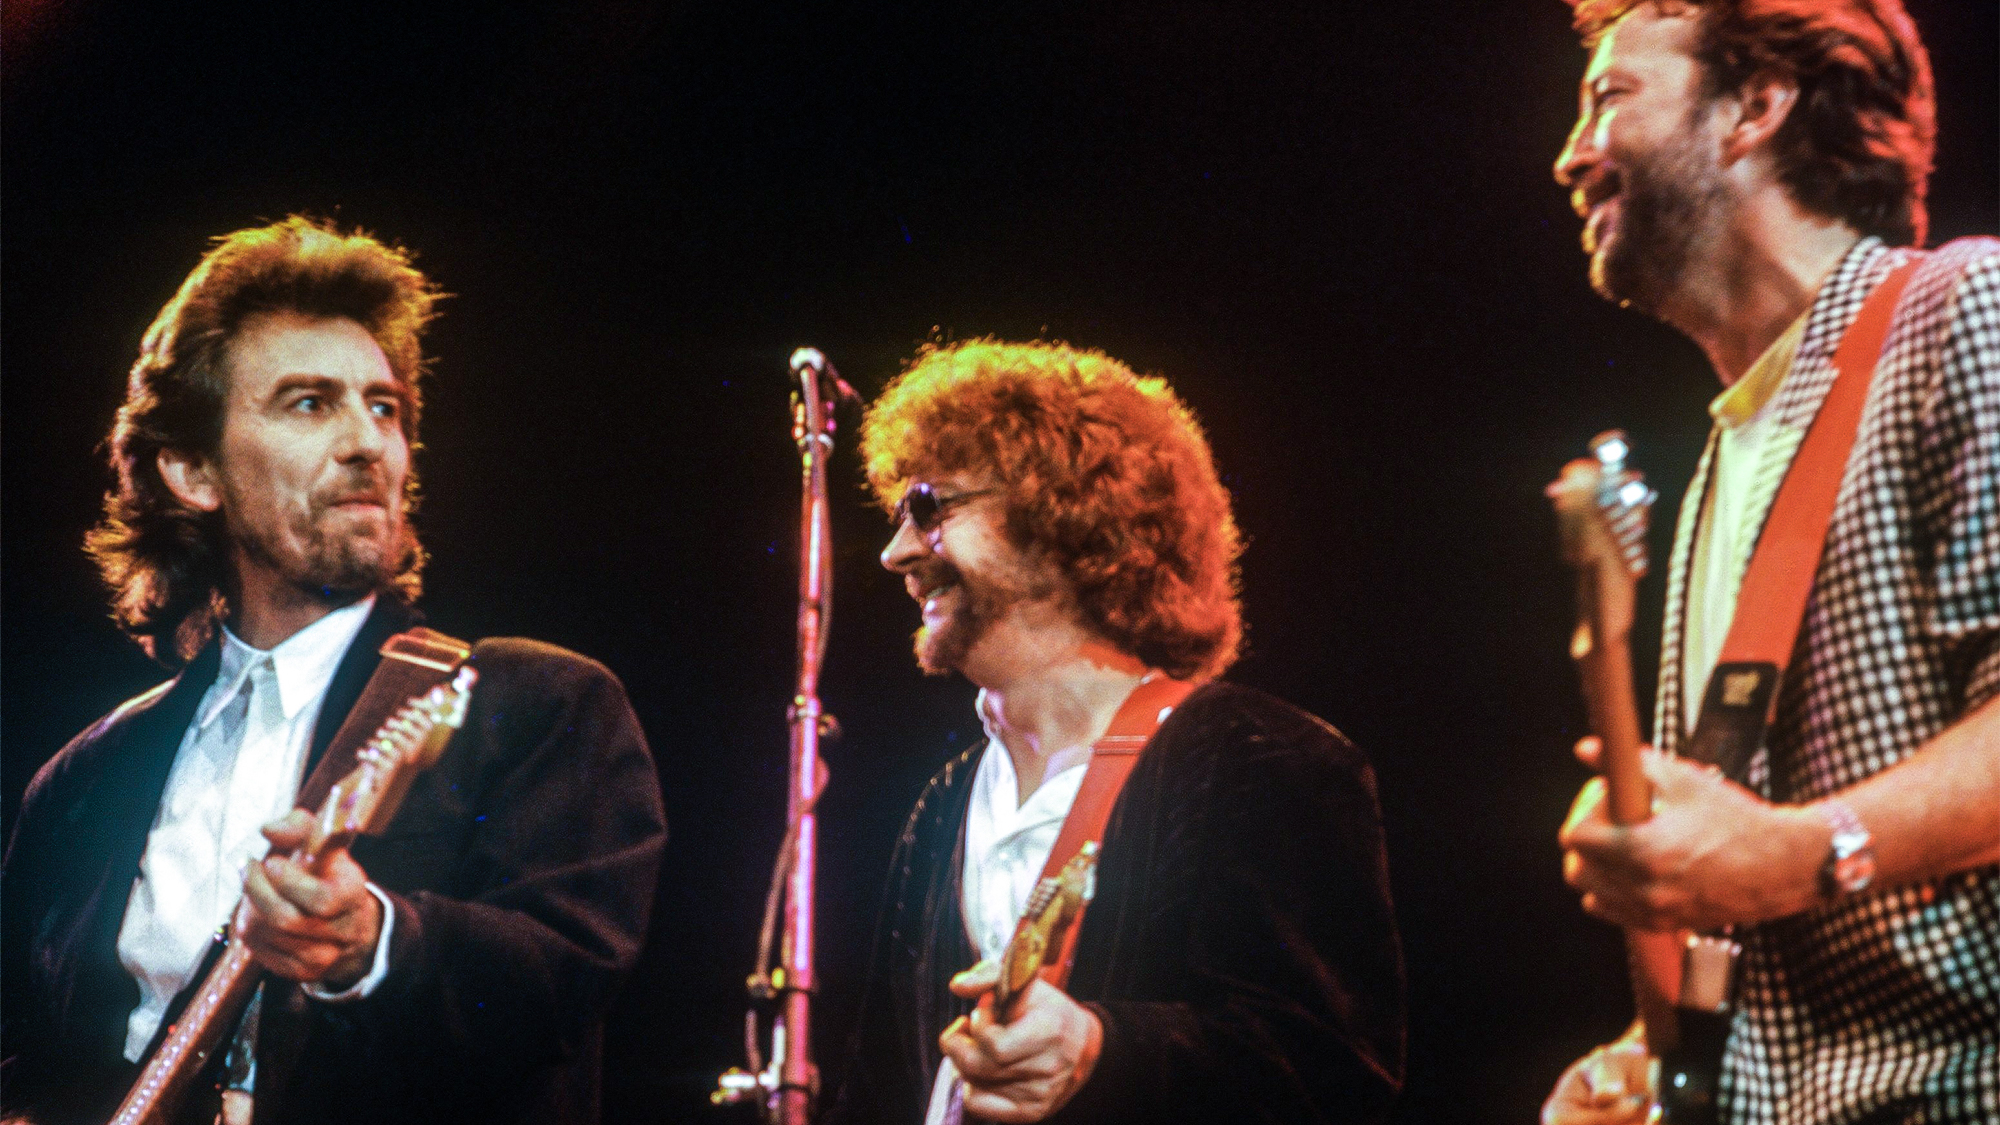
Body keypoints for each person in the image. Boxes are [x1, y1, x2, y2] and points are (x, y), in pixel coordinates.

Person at [0, 217, 668, 1125]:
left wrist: (374, 941)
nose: (368, 443)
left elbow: (565, 976)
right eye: (310, 403)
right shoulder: (87, 776)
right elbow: (31, 1047)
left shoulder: (533, 703)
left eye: (384, 407)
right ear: (194, 471)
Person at [1541, 2, 1999, 1123]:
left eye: (1609, 97)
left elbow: (1782, 853)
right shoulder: (1720, 459)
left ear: (1753, 107)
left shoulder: (1962, 308)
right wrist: (1650, 1062)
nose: (1567, 154)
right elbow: (1751, 873)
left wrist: (1805, 850)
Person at [830, 340, 1405, 1125]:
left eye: (930, 505)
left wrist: (1104, 1050)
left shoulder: (1266, 762)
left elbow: (1335, 1077)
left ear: (1063, 510)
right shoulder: (946, 801)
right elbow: (875, 1091)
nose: (897, 551)